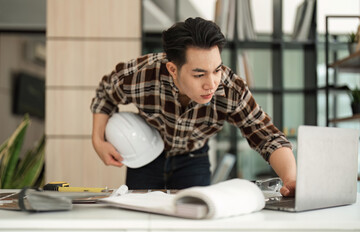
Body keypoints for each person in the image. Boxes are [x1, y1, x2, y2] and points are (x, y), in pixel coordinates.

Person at [90, 17, 296, 196]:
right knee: (142, 222)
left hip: (193, 159)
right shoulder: (141, 74)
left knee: (194, 221)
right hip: (146, 154)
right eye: (199, 74)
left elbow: (267, 136)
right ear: (172, 69)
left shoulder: (231, 89)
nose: (211, 83)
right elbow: (105, 94)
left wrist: (291, 180)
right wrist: (98, 140)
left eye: (216, 70)